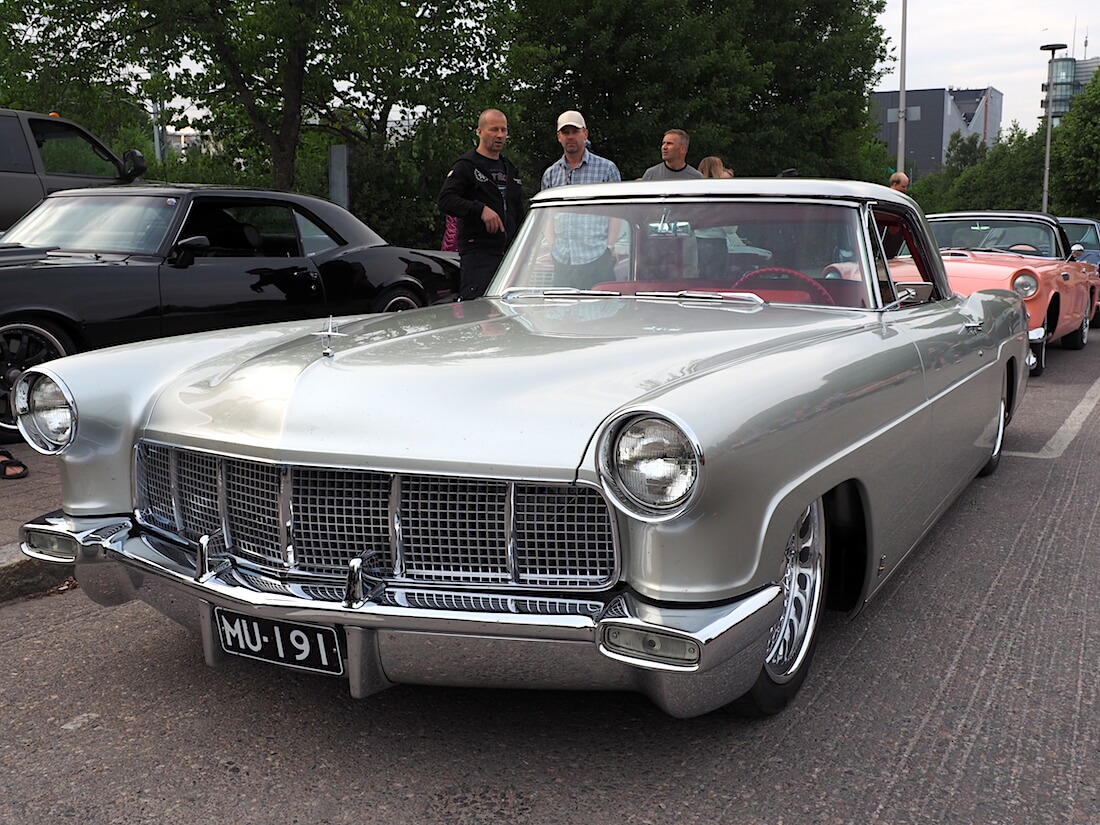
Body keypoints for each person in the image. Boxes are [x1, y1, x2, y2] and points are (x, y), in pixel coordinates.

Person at [438, 108, 524, 300]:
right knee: (478, 313)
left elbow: (519, 212)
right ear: (480, 131)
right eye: (494, 129)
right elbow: (445, 200)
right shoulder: (467, 165)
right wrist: (480, 209)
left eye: (504, 130)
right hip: (479, 255)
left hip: (509, 257)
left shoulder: (510, 169)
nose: (500, 135)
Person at [541, 110, 622, 287]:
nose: (570, 137)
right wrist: (553, 246)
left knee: (604, 312)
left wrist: (609, 246)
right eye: (565, 132)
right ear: (559, 137)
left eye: (575, 131)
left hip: (597, 257)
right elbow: (547, 216)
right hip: (563, 260)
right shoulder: (551, 174)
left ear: (585, 134)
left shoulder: (607, 169)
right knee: (562, 311)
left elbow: (616, 212)